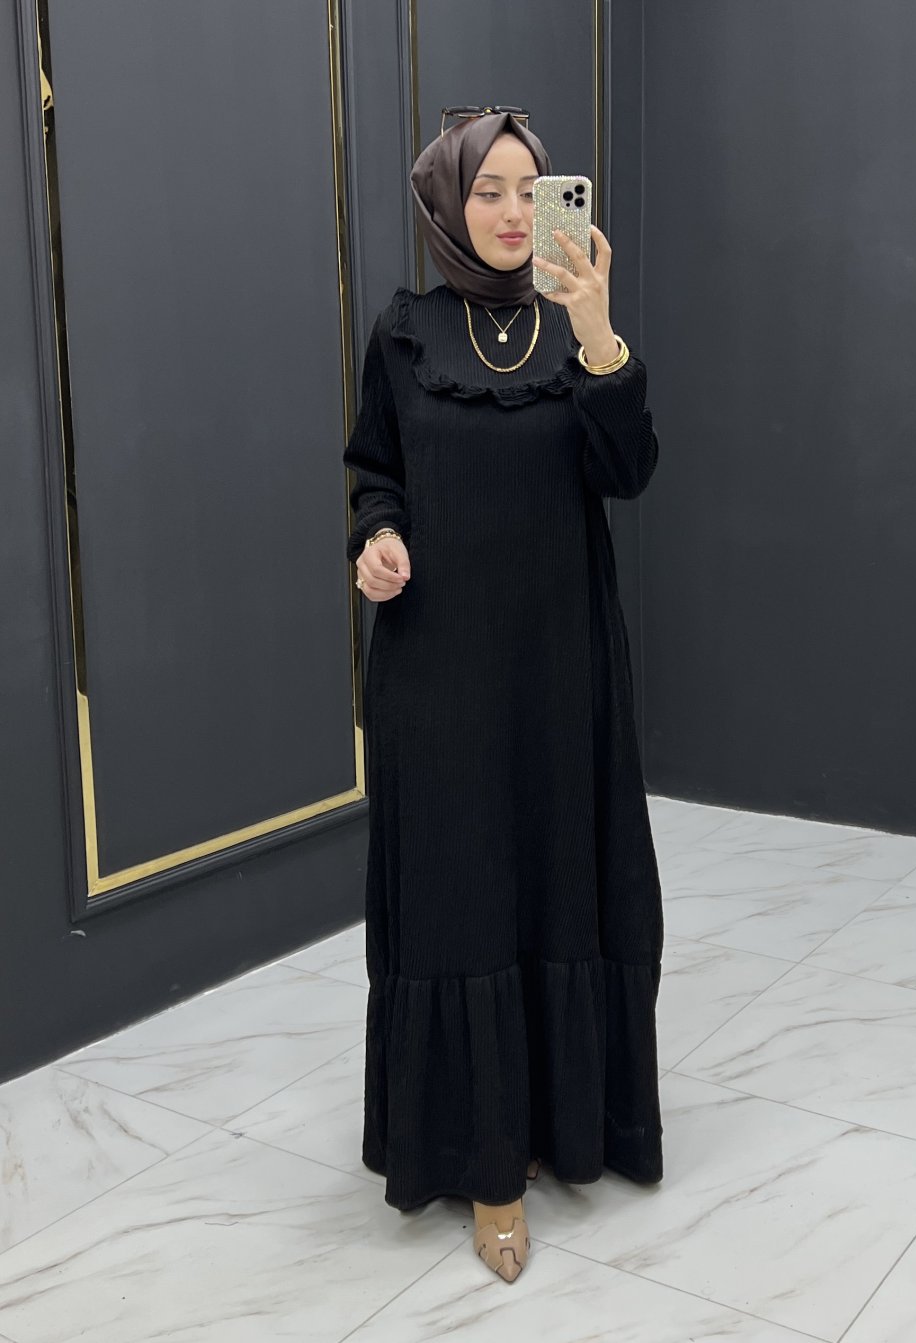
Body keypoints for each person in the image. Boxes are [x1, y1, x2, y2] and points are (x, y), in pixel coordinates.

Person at [343, 108, 664, 1284]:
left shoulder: (575, 325)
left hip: (561, 666)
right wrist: (376, 540)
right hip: (439, 670)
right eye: (489, 190)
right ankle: (486, 1167)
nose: (515, 211)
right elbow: (374, 471)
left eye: (532, 189)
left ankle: (572, 1121)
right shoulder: (404, 331)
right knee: (463, 895)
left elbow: (627, 471)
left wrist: (599, 332)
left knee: (563, 877)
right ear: (446, 202)